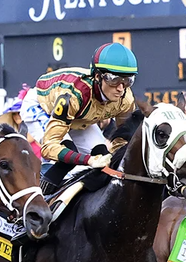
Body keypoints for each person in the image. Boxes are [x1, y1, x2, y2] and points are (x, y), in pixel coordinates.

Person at [26, 42, 138, 195]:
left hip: (79, 117)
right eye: (114, 79)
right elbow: (48, 148)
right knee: (67, 158)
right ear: (98, 76)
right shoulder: (73, 95)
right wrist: (88, 160)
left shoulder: (126, 98)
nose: (120, 88)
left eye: (127, 80)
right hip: (42, 107)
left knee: (104, 156)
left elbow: (122, 141)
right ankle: (37, 202)